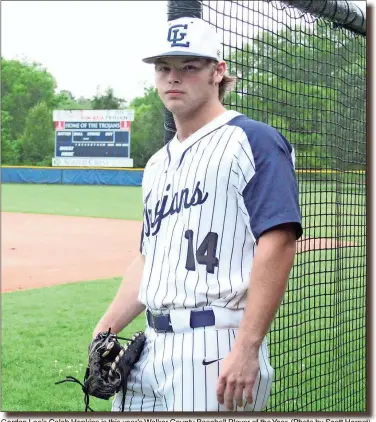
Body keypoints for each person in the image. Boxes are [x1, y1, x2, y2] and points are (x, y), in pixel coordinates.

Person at [93, 17, 302, 412]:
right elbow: (147, 258)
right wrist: (103, 330)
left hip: (217, 345)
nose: (174, 78)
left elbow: (279, 242)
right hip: (151, 345)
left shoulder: (251, 140)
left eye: (189, 67)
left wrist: (246, 347)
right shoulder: (156, 164)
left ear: (218, 72)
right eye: (164, 68)